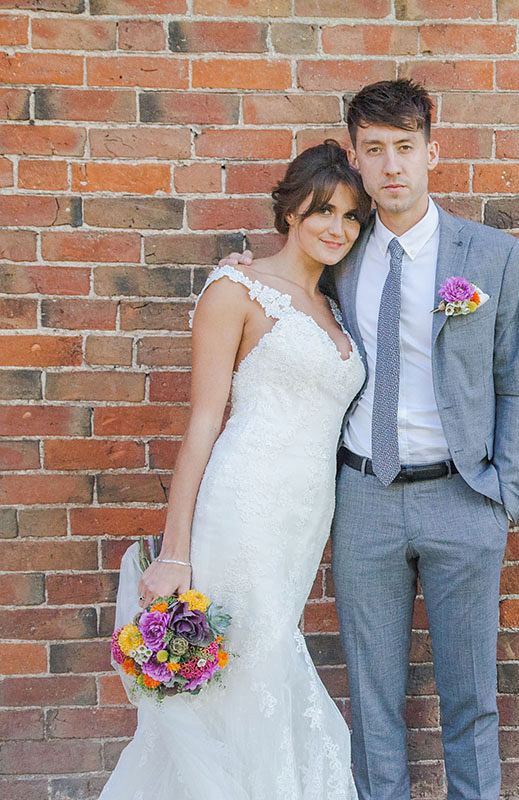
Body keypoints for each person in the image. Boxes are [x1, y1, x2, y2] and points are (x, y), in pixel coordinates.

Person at [219, 79, 519, 800]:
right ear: (357, 161)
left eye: (405, 148)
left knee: (472, 699)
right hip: (364, 497)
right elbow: (284, 288)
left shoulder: (491, 256)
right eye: (375, 150)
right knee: (373, 702)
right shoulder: (341, 250)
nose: (392, 165)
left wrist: (501, 495)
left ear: (432, 150)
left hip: (464, 497)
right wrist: (243, 271)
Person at [99, 140, 371, 799]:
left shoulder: (339, 304)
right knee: (241, 673)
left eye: (352, 217)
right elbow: (202, 423)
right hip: (243, 508)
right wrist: (173, 553)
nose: (337, 228)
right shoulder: (237, 288)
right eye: (322, 211)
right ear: (290, 214)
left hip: (303, 522)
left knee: (260, 663)